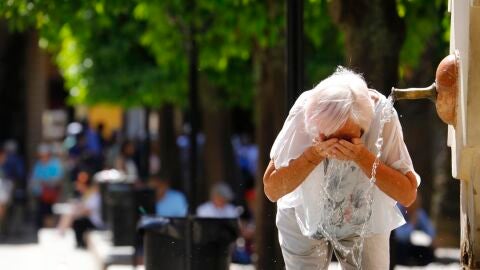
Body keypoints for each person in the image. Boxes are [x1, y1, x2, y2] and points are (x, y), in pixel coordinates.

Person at [263, 67, 420, 269]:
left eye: (346, 139)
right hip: (303, 215)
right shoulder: (305, 111)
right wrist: (313, 155)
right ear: (315, 125)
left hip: (364, 216)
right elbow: (272, 189)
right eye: (327, 138)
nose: (336, 147)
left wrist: (362, 156)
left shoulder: (382, 115)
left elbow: (407, 193)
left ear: (364, 126)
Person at [57, 169, 104, 248]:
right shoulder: (86, 194)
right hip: (88, 219)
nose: (78, 187)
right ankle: (62, 234)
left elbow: (87, 211)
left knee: (78, 221)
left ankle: (79, 242)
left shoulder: (94, 195)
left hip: (95, 222)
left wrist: (75, 213)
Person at [394, 195, 436, 266]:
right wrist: (412, 223)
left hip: (409, 245)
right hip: (397, 246)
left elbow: (431, 231)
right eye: (415, 205)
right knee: (400, 247)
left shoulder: (417, 211)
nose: (416, 207)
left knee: (429, 253)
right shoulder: (398, 210)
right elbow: (400, 236)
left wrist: (432, 239)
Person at [31, 143, 64, 229]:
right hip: (40, 194)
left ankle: (50, 228)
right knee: (42, 212)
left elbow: (58, 179)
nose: (42, 157)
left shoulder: (55, 164)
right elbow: (34, 179)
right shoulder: (38, 164)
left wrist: (46, 182)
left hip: (52, 194)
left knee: (50, 213)